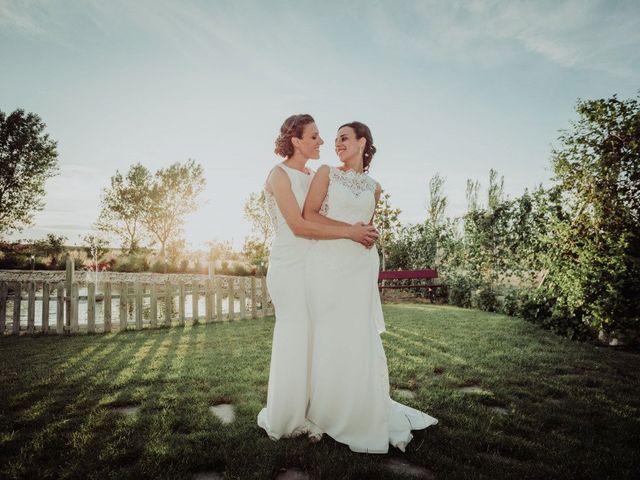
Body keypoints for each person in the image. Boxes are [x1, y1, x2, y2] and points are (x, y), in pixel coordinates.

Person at [302, 121, 438, 453]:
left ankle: (360, 404)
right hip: (328, 266)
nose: (337, 144)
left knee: (357, 334)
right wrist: (350, 230)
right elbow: (309, 215)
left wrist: (370, 234)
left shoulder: (376, 187)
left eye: (344, 138)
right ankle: (324, 411)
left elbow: (368, 224)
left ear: (363, 142)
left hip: (360, 267)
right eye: (335, 140)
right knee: (329, 333)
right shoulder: (325, 174)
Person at [257, 114, 378, 440]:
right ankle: (286, 417)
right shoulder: (279, 174)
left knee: (314, 339)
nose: (322, 142)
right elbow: (298, 225)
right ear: (295, 140)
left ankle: (315, 409)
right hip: (288, 265)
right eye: (314, 136)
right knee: (293, 336)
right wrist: (351, 232)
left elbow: (330, 213)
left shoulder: (313, 175)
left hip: (317, 267)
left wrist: (359, 229)